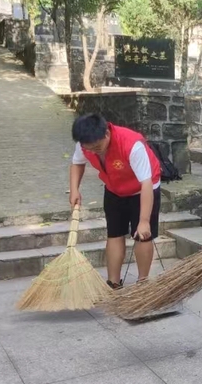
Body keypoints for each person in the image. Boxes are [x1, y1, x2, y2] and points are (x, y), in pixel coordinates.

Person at [69, 114, 162, 289]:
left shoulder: (132, 144)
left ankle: (142, 283)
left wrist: (143, 221)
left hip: (143, 189)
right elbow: (77, 163)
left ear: (106, 134)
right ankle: (113, 283)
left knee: (142, 235)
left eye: (97, 147)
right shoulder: (84, 144)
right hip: (114, 188)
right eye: (90, 149)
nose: (94, 152)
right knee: (114, 233)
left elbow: (146, 183)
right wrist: (74, 189)